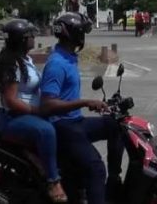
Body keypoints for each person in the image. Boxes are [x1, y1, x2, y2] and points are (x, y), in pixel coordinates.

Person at [40, 12, 123, 204]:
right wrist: (86, 102)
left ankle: (114, 181)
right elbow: (47, 104)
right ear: (71, 35)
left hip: (75, 121)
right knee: (96, 168)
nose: (83, 36)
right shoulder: (56, 64)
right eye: (80, 32)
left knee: (116, 126)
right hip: (62, 126)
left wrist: (75, 8)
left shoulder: (68, 56)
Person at [0, 19, 66, 203]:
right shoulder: (10, 64)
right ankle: (53, 181)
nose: (33, 38)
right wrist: (37, 111)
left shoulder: (24, 59)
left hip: (25, 116)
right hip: (12, 119)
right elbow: (11, 100)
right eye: (30, 35)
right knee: (46, 131)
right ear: (21, 39)